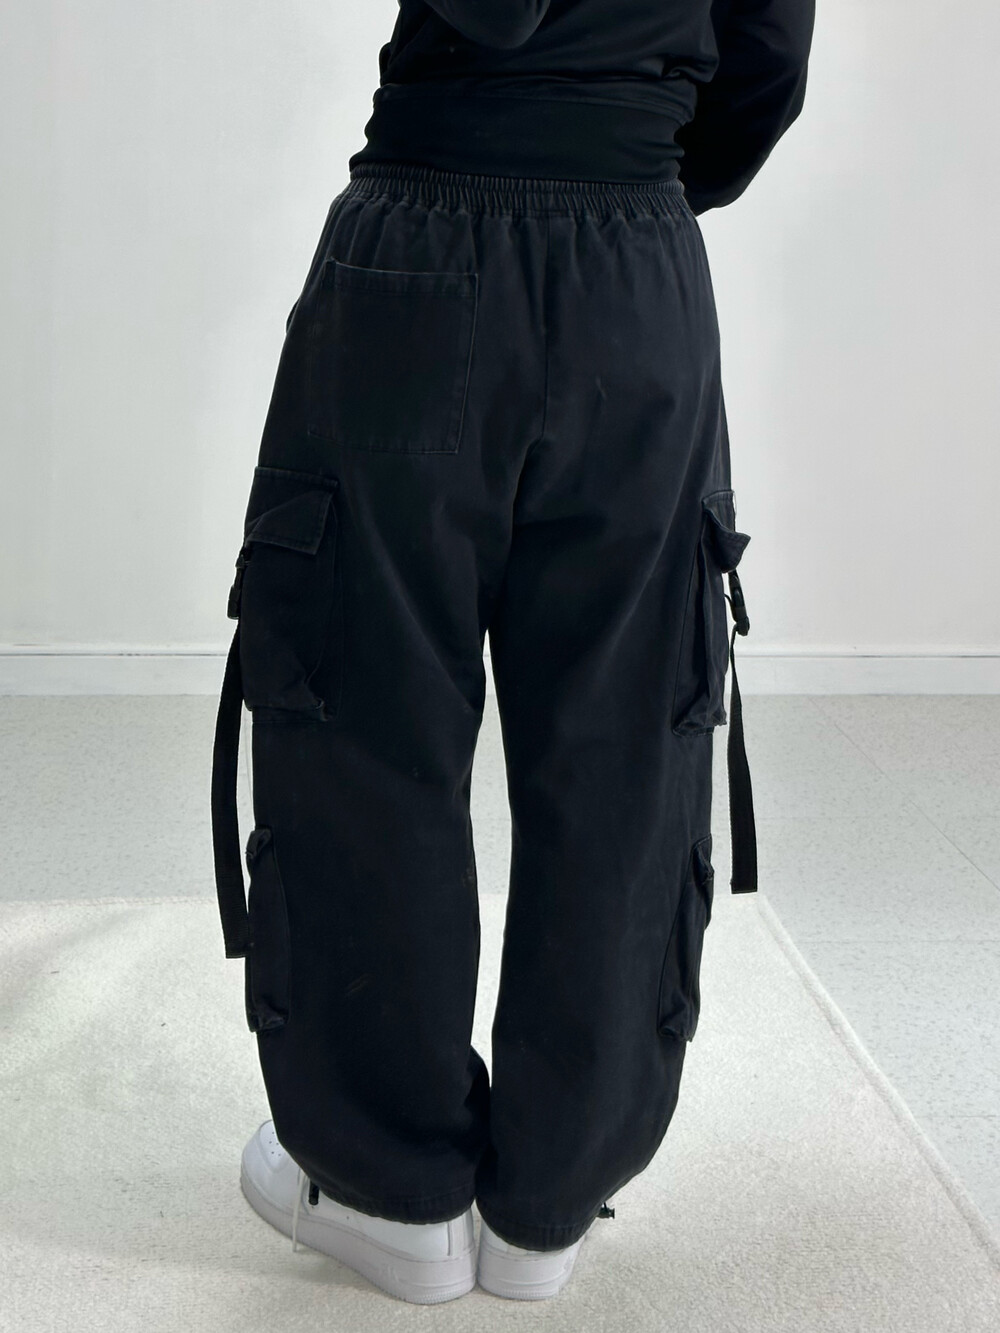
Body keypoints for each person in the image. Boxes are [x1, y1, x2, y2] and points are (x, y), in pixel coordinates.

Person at [210, 0, 815, 1305]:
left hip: (425, 243)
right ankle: (550, 1195)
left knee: (368, 716)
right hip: (639, 271)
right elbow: (768, 53)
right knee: (625, 739)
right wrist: (627, 165)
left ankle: (388, 1189)